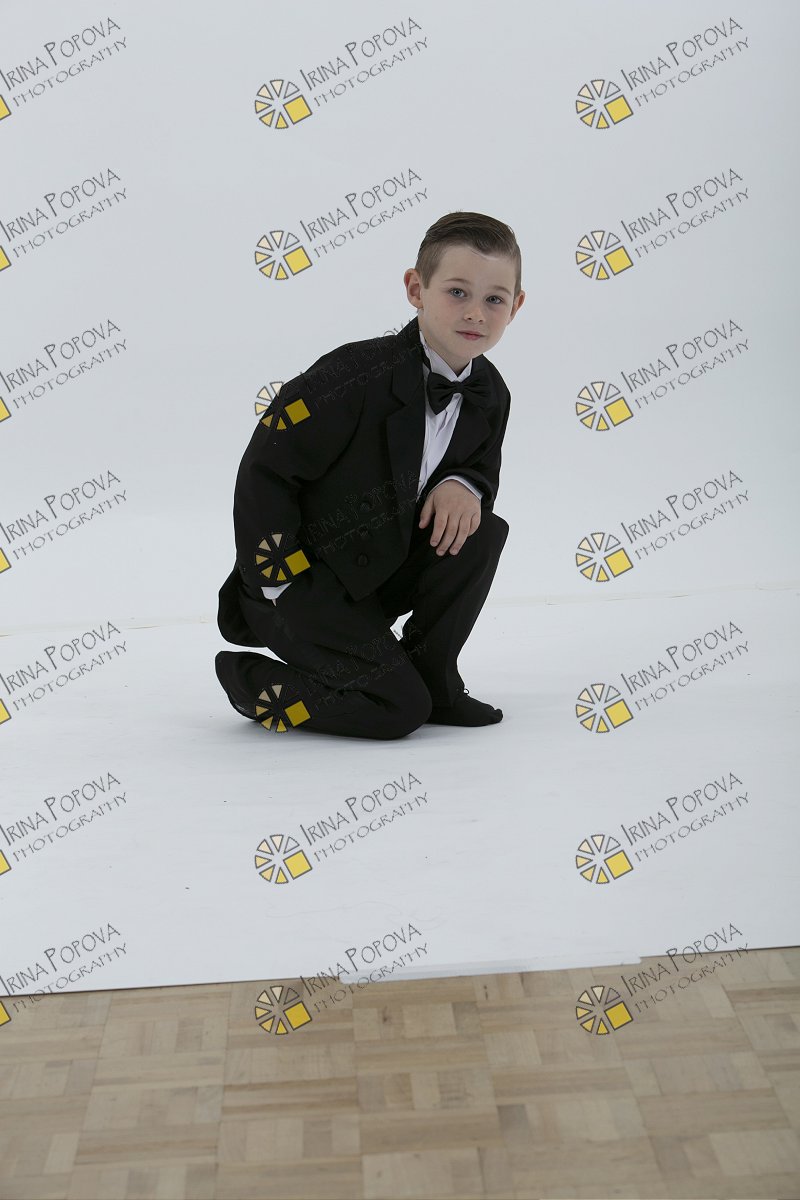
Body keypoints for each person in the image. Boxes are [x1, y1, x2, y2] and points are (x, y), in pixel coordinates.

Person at [215, 210, 525, 740]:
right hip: (302, 585)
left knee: (482, 532)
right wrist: (279, 579)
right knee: (396, 709)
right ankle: (254, 683)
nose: (476, 312)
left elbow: (480, 467)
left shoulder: (490, 392)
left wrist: (463, 484)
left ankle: (433, 678)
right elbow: (266, 471)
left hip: (378, 576)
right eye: (457, 292)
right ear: (416, 289)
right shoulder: (352, 375)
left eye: (494, 299)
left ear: (515, 307)